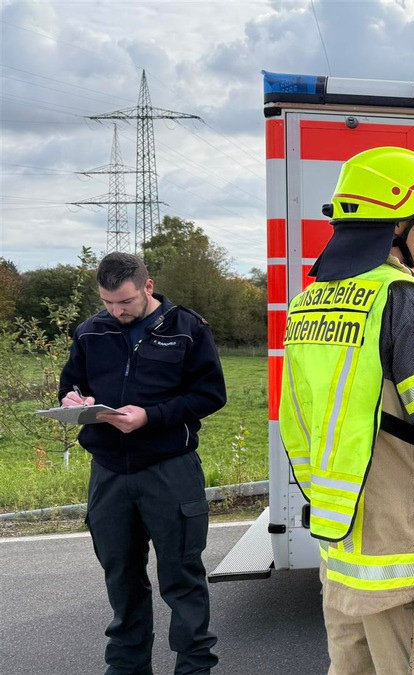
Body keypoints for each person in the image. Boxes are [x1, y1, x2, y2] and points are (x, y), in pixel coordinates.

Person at [278, 146, 414, 675]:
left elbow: (298, 418)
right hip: (411, 552)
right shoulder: (411, 301)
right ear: (398, 222)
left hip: (345, 550)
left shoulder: (308, 302)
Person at [58, 251, 226, 675]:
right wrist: (75, 400)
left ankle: (194, 666)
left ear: (147, 288)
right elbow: (71, 383)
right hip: (109, 472)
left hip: (169, 468)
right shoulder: (90, 332)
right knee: (122, 576)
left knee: (181, 577)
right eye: (108, 303)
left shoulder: (188, 329)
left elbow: (210, 395)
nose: (116, 312)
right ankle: (127, 667)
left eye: (125, 302)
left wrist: (150, 416)